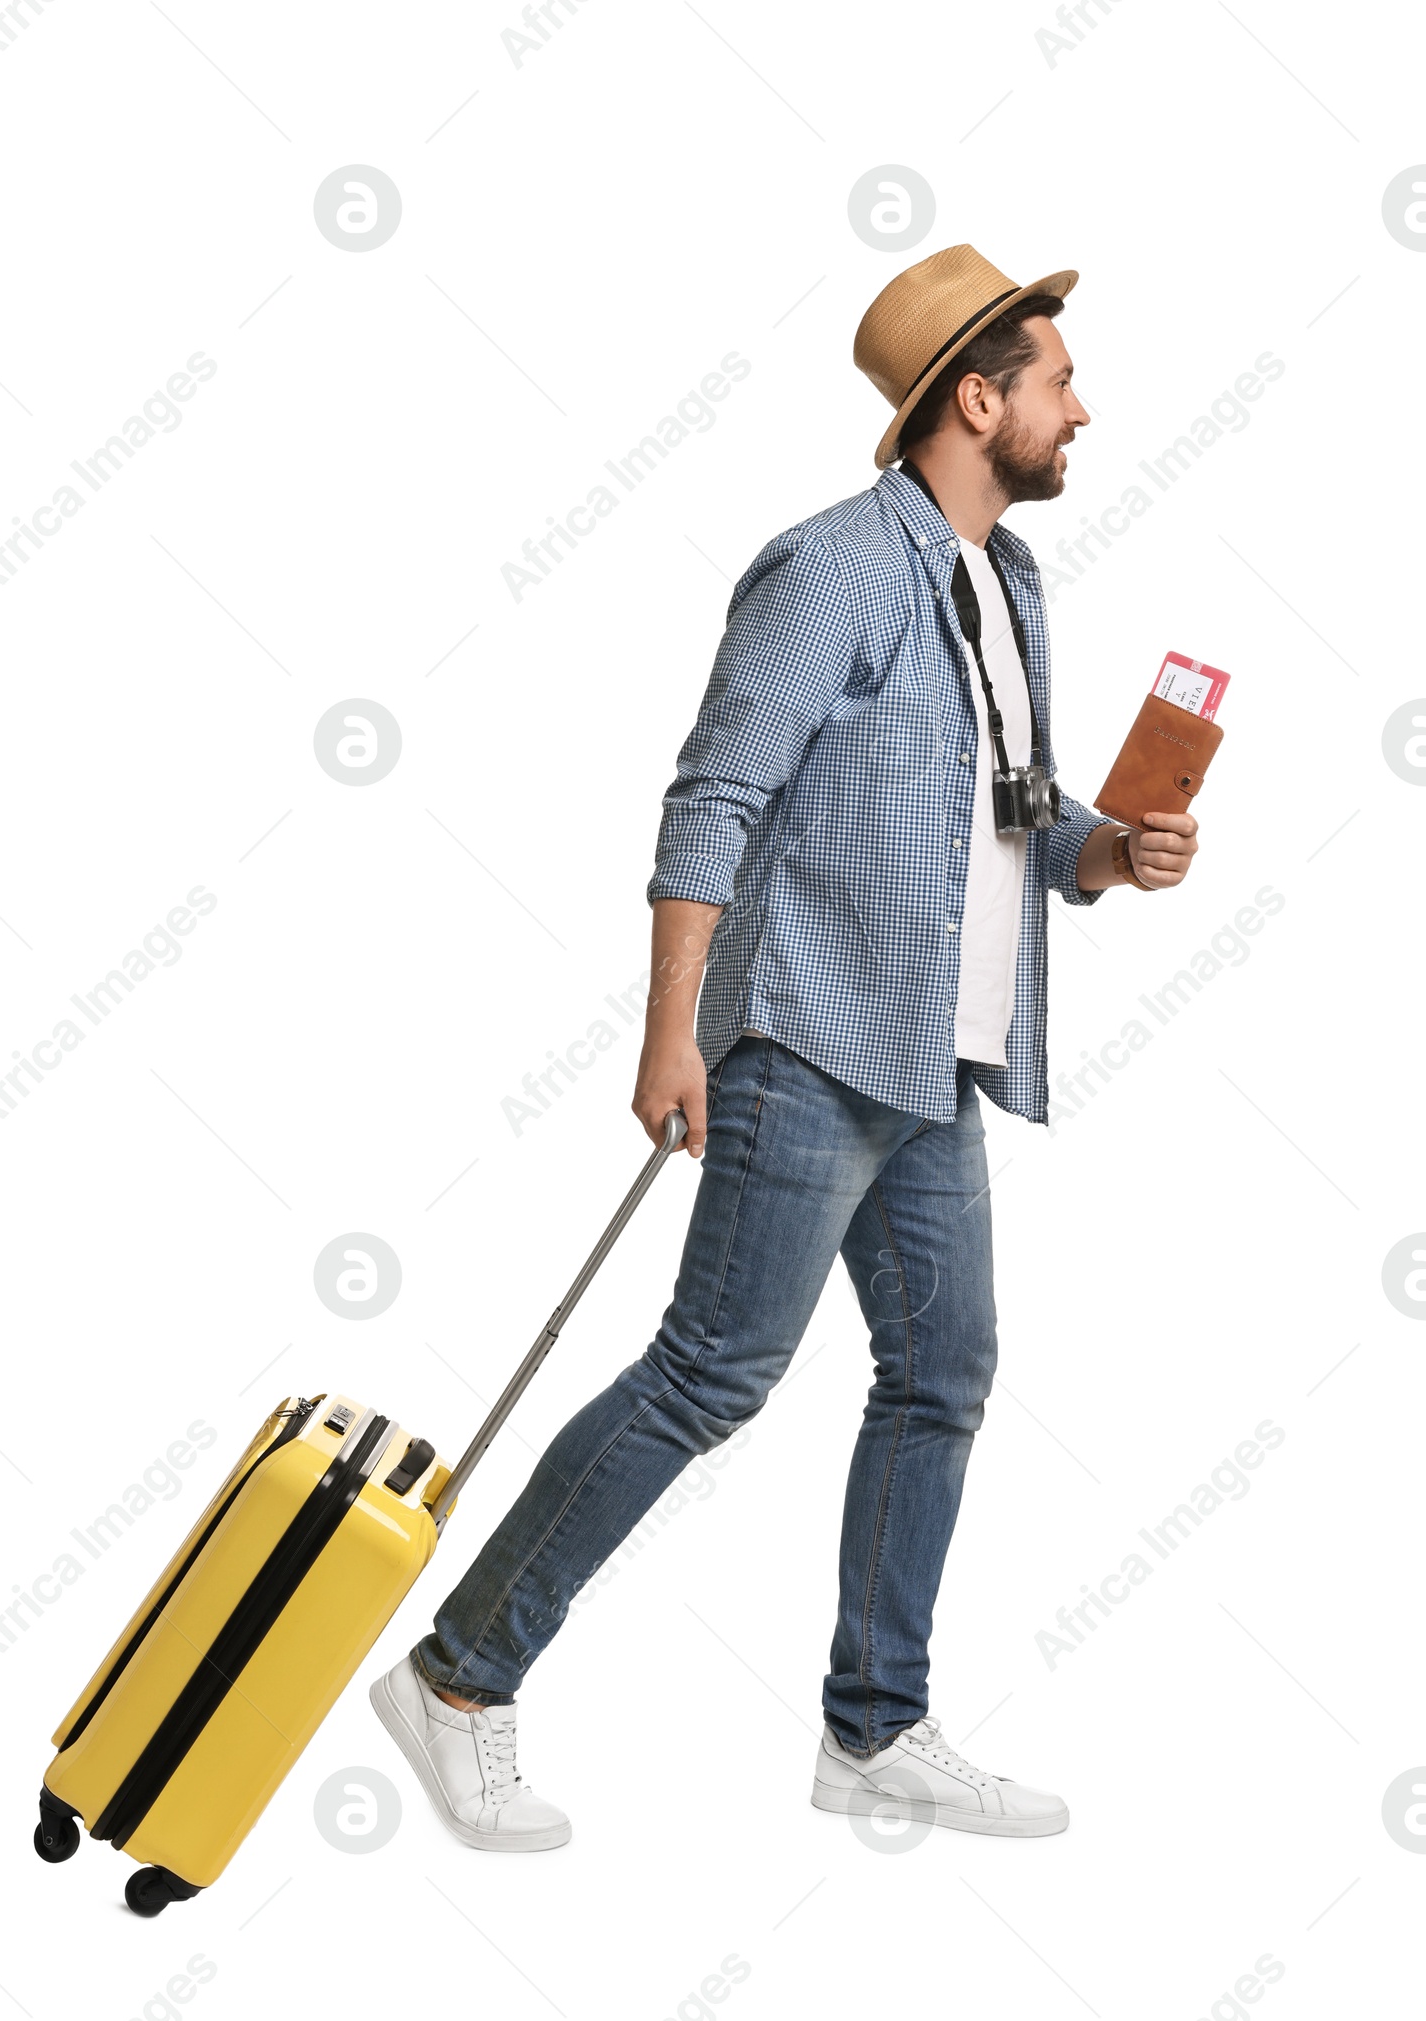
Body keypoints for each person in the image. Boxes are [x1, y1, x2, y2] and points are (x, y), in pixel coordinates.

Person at [371, 243, 1199, 1849]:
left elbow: (1014, 819)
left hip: (930, 1062)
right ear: (979, 396)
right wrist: (672, 1028)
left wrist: (1117, 850)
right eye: (1058, 382)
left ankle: (874, 1727)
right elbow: (714, 795)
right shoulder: (830, 565)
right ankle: (462, 1673)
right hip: (807, 1042)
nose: (1083, 411)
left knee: (942, 1370)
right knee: (710, 1374)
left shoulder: (1007, 587)